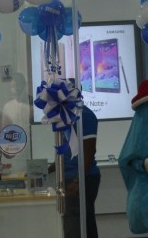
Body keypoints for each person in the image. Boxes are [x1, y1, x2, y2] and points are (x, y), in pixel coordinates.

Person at [63, 85, 100, 238]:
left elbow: (89, 152)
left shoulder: (85, 115)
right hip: (71, 177)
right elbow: (68, 151)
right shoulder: (67, 115)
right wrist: (46, 169)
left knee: (83, 224)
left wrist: (78, 181)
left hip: (84, 178)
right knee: (74, 223)